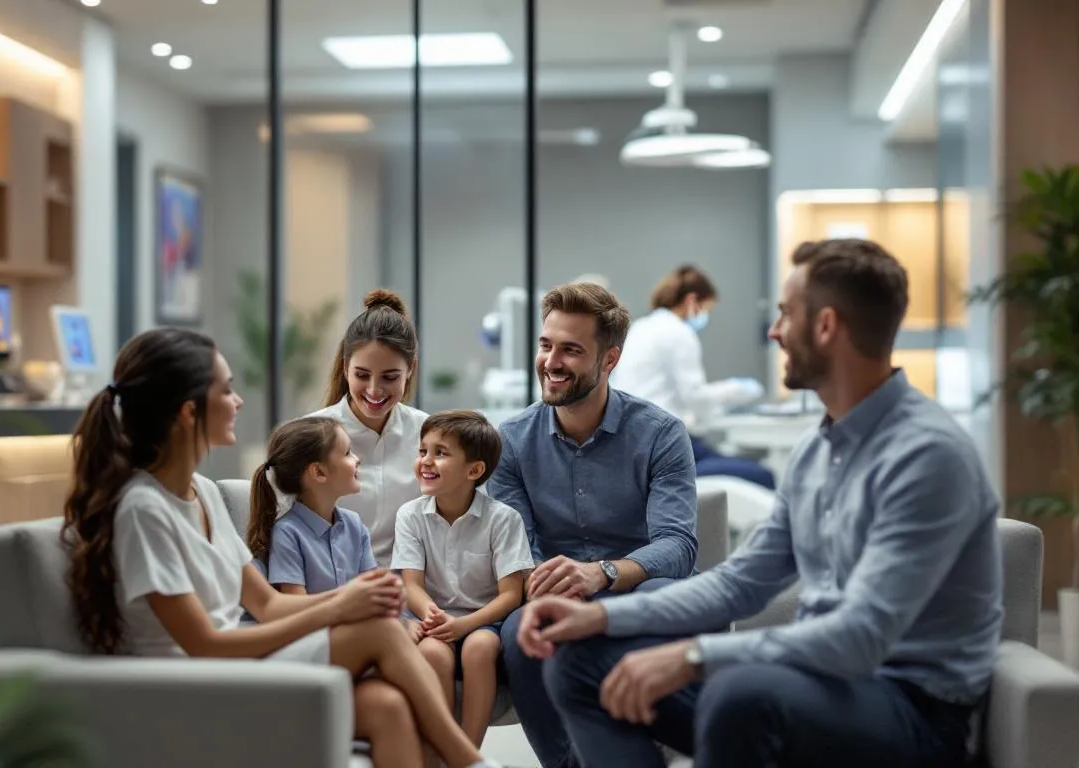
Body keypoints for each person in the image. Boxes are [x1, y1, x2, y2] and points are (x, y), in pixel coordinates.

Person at [517, 239, 1003, 768]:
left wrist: (693, 655)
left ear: (826, 327)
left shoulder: (926, 455)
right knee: (580, 663)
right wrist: (601, 622)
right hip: (819, 687)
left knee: (740, 695)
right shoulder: (818, 450)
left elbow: (861, 638)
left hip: (911, 709)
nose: (774, 332)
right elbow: (740, 582)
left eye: (784, 315)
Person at [60, 328, 495, 768]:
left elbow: (266, 604)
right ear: (189, 412)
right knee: (380, 631)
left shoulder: (200, 493)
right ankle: (468, 762)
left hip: (231, 667)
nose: (238, 401)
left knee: (387, 707)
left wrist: (356, 599)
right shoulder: (144, 509)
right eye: (226, 389)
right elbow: (205, 644)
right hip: (192, 686)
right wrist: (340, 608)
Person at [487, 281, 699, 768]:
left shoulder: (661, 434)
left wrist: (602, 572)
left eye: (571, 350)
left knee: (660, 604)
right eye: (546, 346)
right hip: (555, 596)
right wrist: (547, 580)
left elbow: (678, 545)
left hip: (636, 587)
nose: (551, 362)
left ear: (609, 360)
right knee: (522, 628)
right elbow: (519, 546)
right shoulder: (513, 442)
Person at [392, 410, 535, 747]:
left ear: (474, 470)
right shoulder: (410, 516)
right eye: (423, 451)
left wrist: (464, 625)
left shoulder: (503, 520)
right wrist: (433, 615)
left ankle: (468, 752)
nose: (426, 461)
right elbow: (411, 584)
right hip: (432, 619)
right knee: (433, 654)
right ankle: (440, 748)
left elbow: (511, 595)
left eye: (440, 453)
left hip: (484, 620)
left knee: (480, 648)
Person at [609, 265, 773, 489]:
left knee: (724, 457)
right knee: (764, 475)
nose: (705, 317)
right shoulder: (679, 332)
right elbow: (694, 396)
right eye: (706, 309)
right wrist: (734, 390)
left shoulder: (641, 327)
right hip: (666, 451)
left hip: (636, 449)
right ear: (691, 300)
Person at [308, 289, 429, 567]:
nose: (375, 390)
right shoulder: (310, 435)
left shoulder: (429, 434)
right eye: (362, 375)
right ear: (345, 367)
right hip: (333, 587)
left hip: (415, 590)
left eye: (390, 377)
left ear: (410, 369)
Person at [245, 416, 377, 596]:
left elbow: (374, 594)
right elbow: (298, 609)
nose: (357, 459)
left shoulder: (355, 525)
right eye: (347, 453)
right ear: (319, 472)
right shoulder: (287, 533)